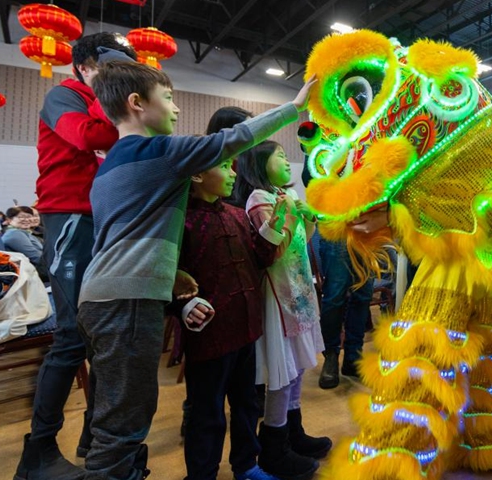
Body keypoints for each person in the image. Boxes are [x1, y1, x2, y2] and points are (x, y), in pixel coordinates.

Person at [78, 61, 315, 480]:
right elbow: (232, 139)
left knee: (117, 417)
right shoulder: (158, 152)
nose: (176, 108)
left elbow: (117, 239)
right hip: (128, 304)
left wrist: (169, 278)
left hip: (101, 298)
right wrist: (294, 107)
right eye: (167, 97)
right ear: (136, 104)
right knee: (123, 426)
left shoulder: (110, 164)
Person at [13, 32, 138, 480]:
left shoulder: (103, 100)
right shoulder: (64, 95)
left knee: (102, 334)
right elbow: (86, 137)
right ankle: (38, 452)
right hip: (67, 216)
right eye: (111, 66)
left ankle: (94, 437)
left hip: (100, 218)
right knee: (70, 337)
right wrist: (131, 116)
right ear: (85, 66)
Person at [176, 107, 294, 480]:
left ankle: (246, 465)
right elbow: (167, 279)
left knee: (247, 405)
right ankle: (202, 474)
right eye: (226, 167)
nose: (234, 173)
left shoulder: (236, 214)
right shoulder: (180, 222)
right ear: (196, 174)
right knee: (207, 413)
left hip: (246, 331)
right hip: (209, 340)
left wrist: (274, 228)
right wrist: (182, 306)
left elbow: (260, 259)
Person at [240, 140, 328, 480]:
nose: (286, 160)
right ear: (260, 164)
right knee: (283, 371)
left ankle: (293, 432)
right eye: (279, 155)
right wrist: (291, 216)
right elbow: (271, 249)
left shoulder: (284, 196)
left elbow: (299, 241)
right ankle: (274, 446)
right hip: (278, 296)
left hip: (298, 291)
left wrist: (308, 221)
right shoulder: (259, 199)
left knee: (297, 369)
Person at [296, 121, 375, 389]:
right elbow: (310, 178)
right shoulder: (327, 132)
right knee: (335, 295)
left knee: (363, 293)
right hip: (337, 227)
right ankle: (331, 356)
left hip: (369, 227)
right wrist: (311, 151)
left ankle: (353, 355)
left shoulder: (372, 132)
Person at [1, 206, 46, 278]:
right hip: (27, 276)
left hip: (33, 273)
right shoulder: (14, 234)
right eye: (21, 217)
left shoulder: (26, 233)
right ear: (9, 220)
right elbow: (36, 257)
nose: (27, 220)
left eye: (29, 217)